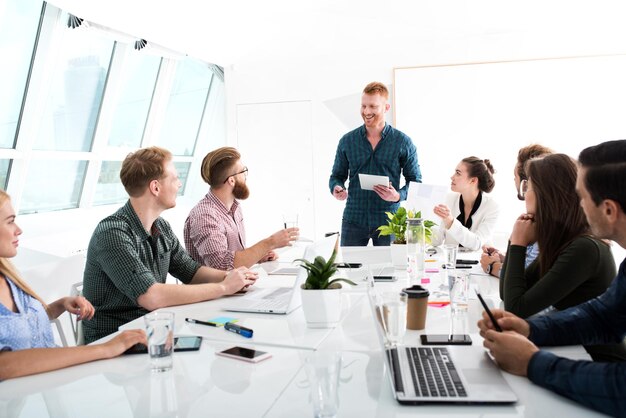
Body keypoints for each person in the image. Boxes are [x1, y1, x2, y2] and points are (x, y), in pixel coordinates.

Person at [478, 139, 626, 417]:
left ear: (608, 209)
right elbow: (603, 317)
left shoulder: (586, 246)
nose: (576, 202)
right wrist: (529, 330)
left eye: (581, 196)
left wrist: (532, 362)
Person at [82, 147, 257, 344]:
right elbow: (151, 296)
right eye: (174, 179)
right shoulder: (112, 233)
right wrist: (224, 287)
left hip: (151, 332)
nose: (179, 184)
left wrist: (234, 277)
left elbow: (191, 272)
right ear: (155, 188)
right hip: (112, 344)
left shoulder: (161, 227)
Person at [0, 190, 146, 380]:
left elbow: (18, 326)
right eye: (10, 221)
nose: (18, 230)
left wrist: (60, 305)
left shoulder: (8, 276)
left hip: (56, 385)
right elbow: (5, 365)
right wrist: (106, 348)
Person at [329, 81, 421, 246]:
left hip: (389, 221)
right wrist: (336, 187)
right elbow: (337, 176)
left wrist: (398, 196)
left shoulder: (403, 142)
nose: (366, 111)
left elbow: (415, 182)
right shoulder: (347, 141)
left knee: (390, 271)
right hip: (353, 219)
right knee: (350, 270)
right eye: (363, 106)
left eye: (372, 106)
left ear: (386, 107)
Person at [184, 147, 298, 270]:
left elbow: (232, 257)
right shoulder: (205, 215)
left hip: (237, 286)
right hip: (215, 289)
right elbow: (222, 265)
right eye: (243, 171)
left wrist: (258, 256)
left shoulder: (235, 208)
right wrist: (270, 242)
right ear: (231, 180)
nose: (245, 176)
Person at [480, 144, 553, 277]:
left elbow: (524, 279)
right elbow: (530, 260)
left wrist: (492, 267)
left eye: (515, 175)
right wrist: (507, 257)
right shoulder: (541, 217)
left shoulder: (546, 223)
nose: (514, 179)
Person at [431, 157, 499, 251]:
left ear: (473, 180)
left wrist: (451, 222)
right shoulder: (449, 199)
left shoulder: (491, 207)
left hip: (477, 263)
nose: (452, 177)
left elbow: (477, 243)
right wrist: (422, 222)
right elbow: (436, 240)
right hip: (450, 262)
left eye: (458, 173)